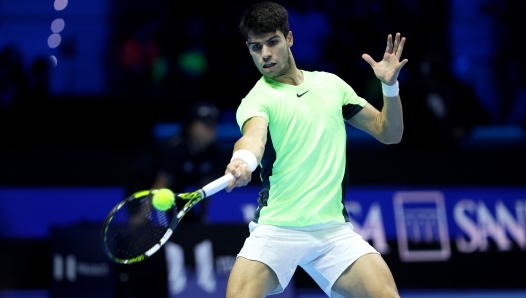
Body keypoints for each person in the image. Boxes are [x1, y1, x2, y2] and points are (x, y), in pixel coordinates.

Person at [223, 2, 406, 297]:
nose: (265, 54)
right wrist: (242, 160)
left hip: (332, 232)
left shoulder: (331, 86)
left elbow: (390, 133)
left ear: (290, 39)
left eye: (273, 42)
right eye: (256, 47)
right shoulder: (257, 99)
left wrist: (390, 88)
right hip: (276, 229)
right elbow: (253, 137)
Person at [125, 100, 227, 223]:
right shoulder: (177, 149)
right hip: (142, 185)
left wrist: (204, 215)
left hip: (174, 188)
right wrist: (142, 215)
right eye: (205, 124)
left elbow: (205, 186)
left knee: (190, 222)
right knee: (139, 225)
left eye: (213, 124)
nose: (210, 129)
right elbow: (161, 183)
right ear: (191, 126)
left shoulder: (214, 153)